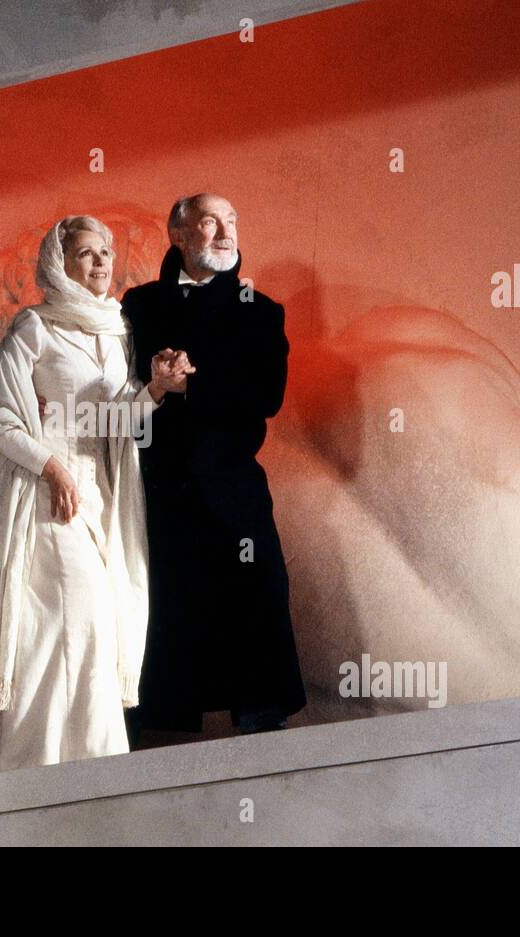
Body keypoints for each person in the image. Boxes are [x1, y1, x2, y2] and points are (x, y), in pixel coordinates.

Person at [0, 214, 193, 777]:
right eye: (87, 254)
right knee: (72, 621)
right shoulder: (36, 328)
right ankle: (40, 763)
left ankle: (88, 771)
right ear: (60, 264)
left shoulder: (114, 329)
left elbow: (118, 420)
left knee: (94, 622)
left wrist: (156, 389)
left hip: (97, 496)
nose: (101, 262)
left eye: (106, 253)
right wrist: (51, 467)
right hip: (45, 498)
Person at [121, 192, 307, 740]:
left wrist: (190, 384)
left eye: (232, 221)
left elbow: (265, 394)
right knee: (165, 612)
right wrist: (155, 383)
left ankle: (261, 728)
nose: (225, 232)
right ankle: (160, 735)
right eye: (210, 222)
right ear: (179, 236)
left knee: (255, 596)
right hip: (155, 491)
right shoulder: (138, 306)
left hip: (232, 489)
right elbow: (115, 386)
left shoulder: (263, 310)